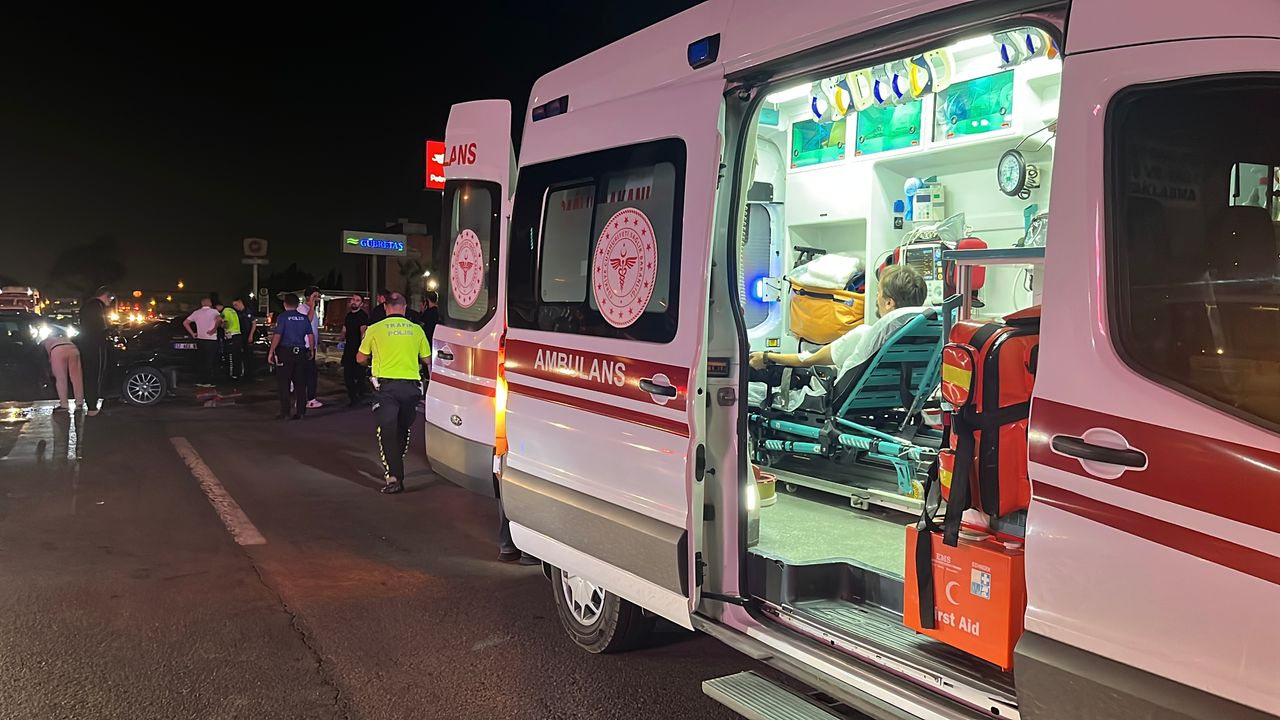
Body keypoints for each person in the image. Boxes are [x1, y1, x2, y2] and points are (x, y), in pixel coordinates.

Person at [749, 264, 929, 379]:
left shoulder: (865, 335)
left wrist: (766, 357)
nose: (876, 296)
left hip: (839, 406)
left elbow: (807, 359)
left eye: (879, 292)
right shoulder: (921, 341)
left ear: (889, 303)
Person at [357, 292, 431, 494]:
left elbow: (360, 358)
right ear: (405, 307)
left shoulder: (374, 329)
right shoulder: (417, 329)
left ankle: (395, 477)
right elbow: (427, 359)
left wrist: (371, 360)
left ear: (386, 307)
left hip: (386, 388)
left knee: (388, 431)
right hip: (411, 388)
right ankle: (396, 465)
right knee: (403, 427)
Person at [268, 293, 312, 420]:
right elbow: (310, 335)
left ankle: (285, 412)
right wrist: (311, 350)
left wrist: (271, 351)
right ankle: (301, 412)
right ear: (297, 305)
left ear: (284, 304)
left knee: (284, 383)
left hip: (285, 352)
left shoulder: (283, 317)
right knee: (300, 383)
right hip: (301, 352)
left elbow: (278, 335)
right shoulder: (304, 318)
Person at [76, 286, 112, 416]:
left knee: (88, 374)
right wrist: (110, 330)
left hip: (85, 344)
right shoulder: (98, 307)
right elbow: (101, 327)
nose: (110, 302)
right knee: (96, 374)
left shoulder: (86, 306)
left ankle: (90, 404)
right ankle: (92, 407)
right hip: (96, 344)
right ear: (106, 296)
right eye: (110, 299)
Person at [42, 330, 84, 413]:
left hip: (57, 351)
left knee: (61, 379)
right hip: (73, 349)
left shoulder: (46, 341)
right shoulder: (65, 338)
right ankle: (79, 402)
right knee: (77, 378)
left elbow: (45, 355)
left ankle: (64, 404)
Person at [185, 298, 223, 386]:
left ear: (202, 304)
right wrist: (214, 329)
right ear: (210, 303)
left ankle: (201, 380)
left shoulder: (196, 313)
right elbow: (219, 319)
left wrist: (193, 333)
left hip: (200, 339)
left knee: (201, 360)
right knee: (210, 361)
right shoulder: (214, 312)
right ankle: (209, 381)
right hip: (211, 339)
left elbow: (185, 323)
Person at [340, 294, 370, 406]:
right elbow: (344, 330)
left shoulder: (362, 316)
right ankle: (353, 396)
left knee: (359, 374)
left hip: (358, 349)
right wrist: (340, 339)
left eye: (357, 300)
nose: (354, 302)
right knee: (347, 375)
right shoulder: (348, 316)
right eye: (353, 299)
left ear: (361, 304)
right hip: (348, 349)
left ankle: (358, 395)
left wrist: (363, 350)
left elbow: (363, 333)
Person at [300, 287, 323, 409]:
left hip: (312, 346)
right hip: (305, 346)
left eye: (318, 296)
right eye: (314, 296)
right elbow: (306, 322)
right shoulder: (302, 309)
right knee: (308, 373)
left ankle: (307, 398)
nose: (317, 299)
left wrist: (320, 342)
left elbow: (314, 329)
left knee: (311, 373)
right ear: (308, 297)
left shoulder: (313, 311)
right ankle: (309, 399)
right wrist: (312, 307)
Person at [219, 300, 244, 380]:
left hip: (231, 335)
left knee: (231, 356)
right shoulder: (232, 310)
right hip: (237, 334)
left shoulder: (225, 312)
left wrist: (220, 324)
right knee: (237, 355)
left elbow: (226, 324)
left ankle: (232, 374)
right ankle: (238, 373)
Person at [233, 298, 257, 378]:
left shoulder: (248, 311)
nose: (235, 307)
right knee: (241, 355)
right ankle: (242, 372)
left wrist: (251, 335)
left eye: (236, 305)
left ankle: (250, 373)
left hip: (247, 334)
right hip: (240, 336)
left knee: (249, 355)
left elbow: (254, 323)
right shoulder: (237, 313)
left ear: (240, 302)